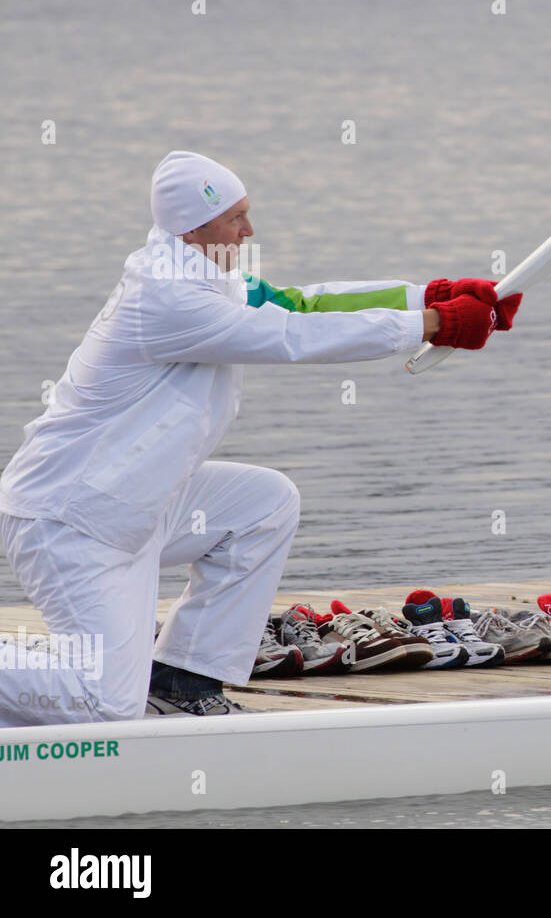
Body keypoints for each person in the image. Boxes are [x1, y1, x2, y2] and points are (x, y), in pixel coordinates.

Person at [0, 150, 521, 725]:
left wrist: (429, 295)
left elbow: (304, 302)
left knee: (263, 504)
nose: (249, 230)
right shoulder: (167, 300)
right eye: (236, 218)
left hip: (135, 507)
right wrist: (435, 326)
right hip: (72, 522)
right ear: (193, 226)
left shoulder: (210, 275)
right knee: (103, 706)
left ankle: (182, 682)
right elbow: (293, 337)